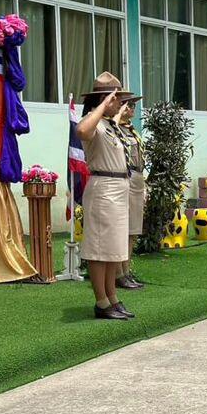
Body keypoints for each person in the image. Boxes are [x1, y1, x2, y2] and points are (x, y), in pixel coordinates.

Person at [76, 72, 136, 320]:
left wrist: (111, 108)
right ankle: (101, 302)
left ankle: (112, 297)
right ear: (106, 99)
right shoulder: (95, 122)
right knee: (100, 250)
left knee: (113, 250)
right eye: (117, 99)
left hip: (118, 188)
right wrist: (102, 105)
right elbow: (81, 130)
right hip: (104, 188)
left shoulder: (110, 124)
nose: (120, 104)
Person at [114, 95, 146, 290]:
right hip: (125, 177)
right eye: (128, 104)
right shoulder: (114, 128)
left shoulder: (131, 130)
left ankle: (127, 270)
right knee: (122, 230)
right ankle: (119, 273)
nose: (132, 108)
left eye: (133, 105)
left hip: (137, 178)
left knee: (133, 230)